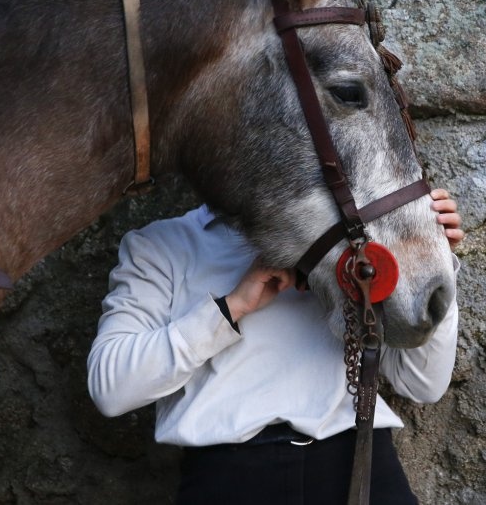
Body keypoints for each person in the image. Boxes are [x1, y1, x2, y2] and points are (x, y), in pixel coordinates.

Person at [87, 188, 464, 504]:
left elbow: (423, 384)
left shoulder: (359, 243)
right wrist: (231, 308)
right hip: (230, 480)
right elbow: (112, 389)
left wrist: (432, 259)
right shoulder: (161, 245)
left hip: (358, 464)